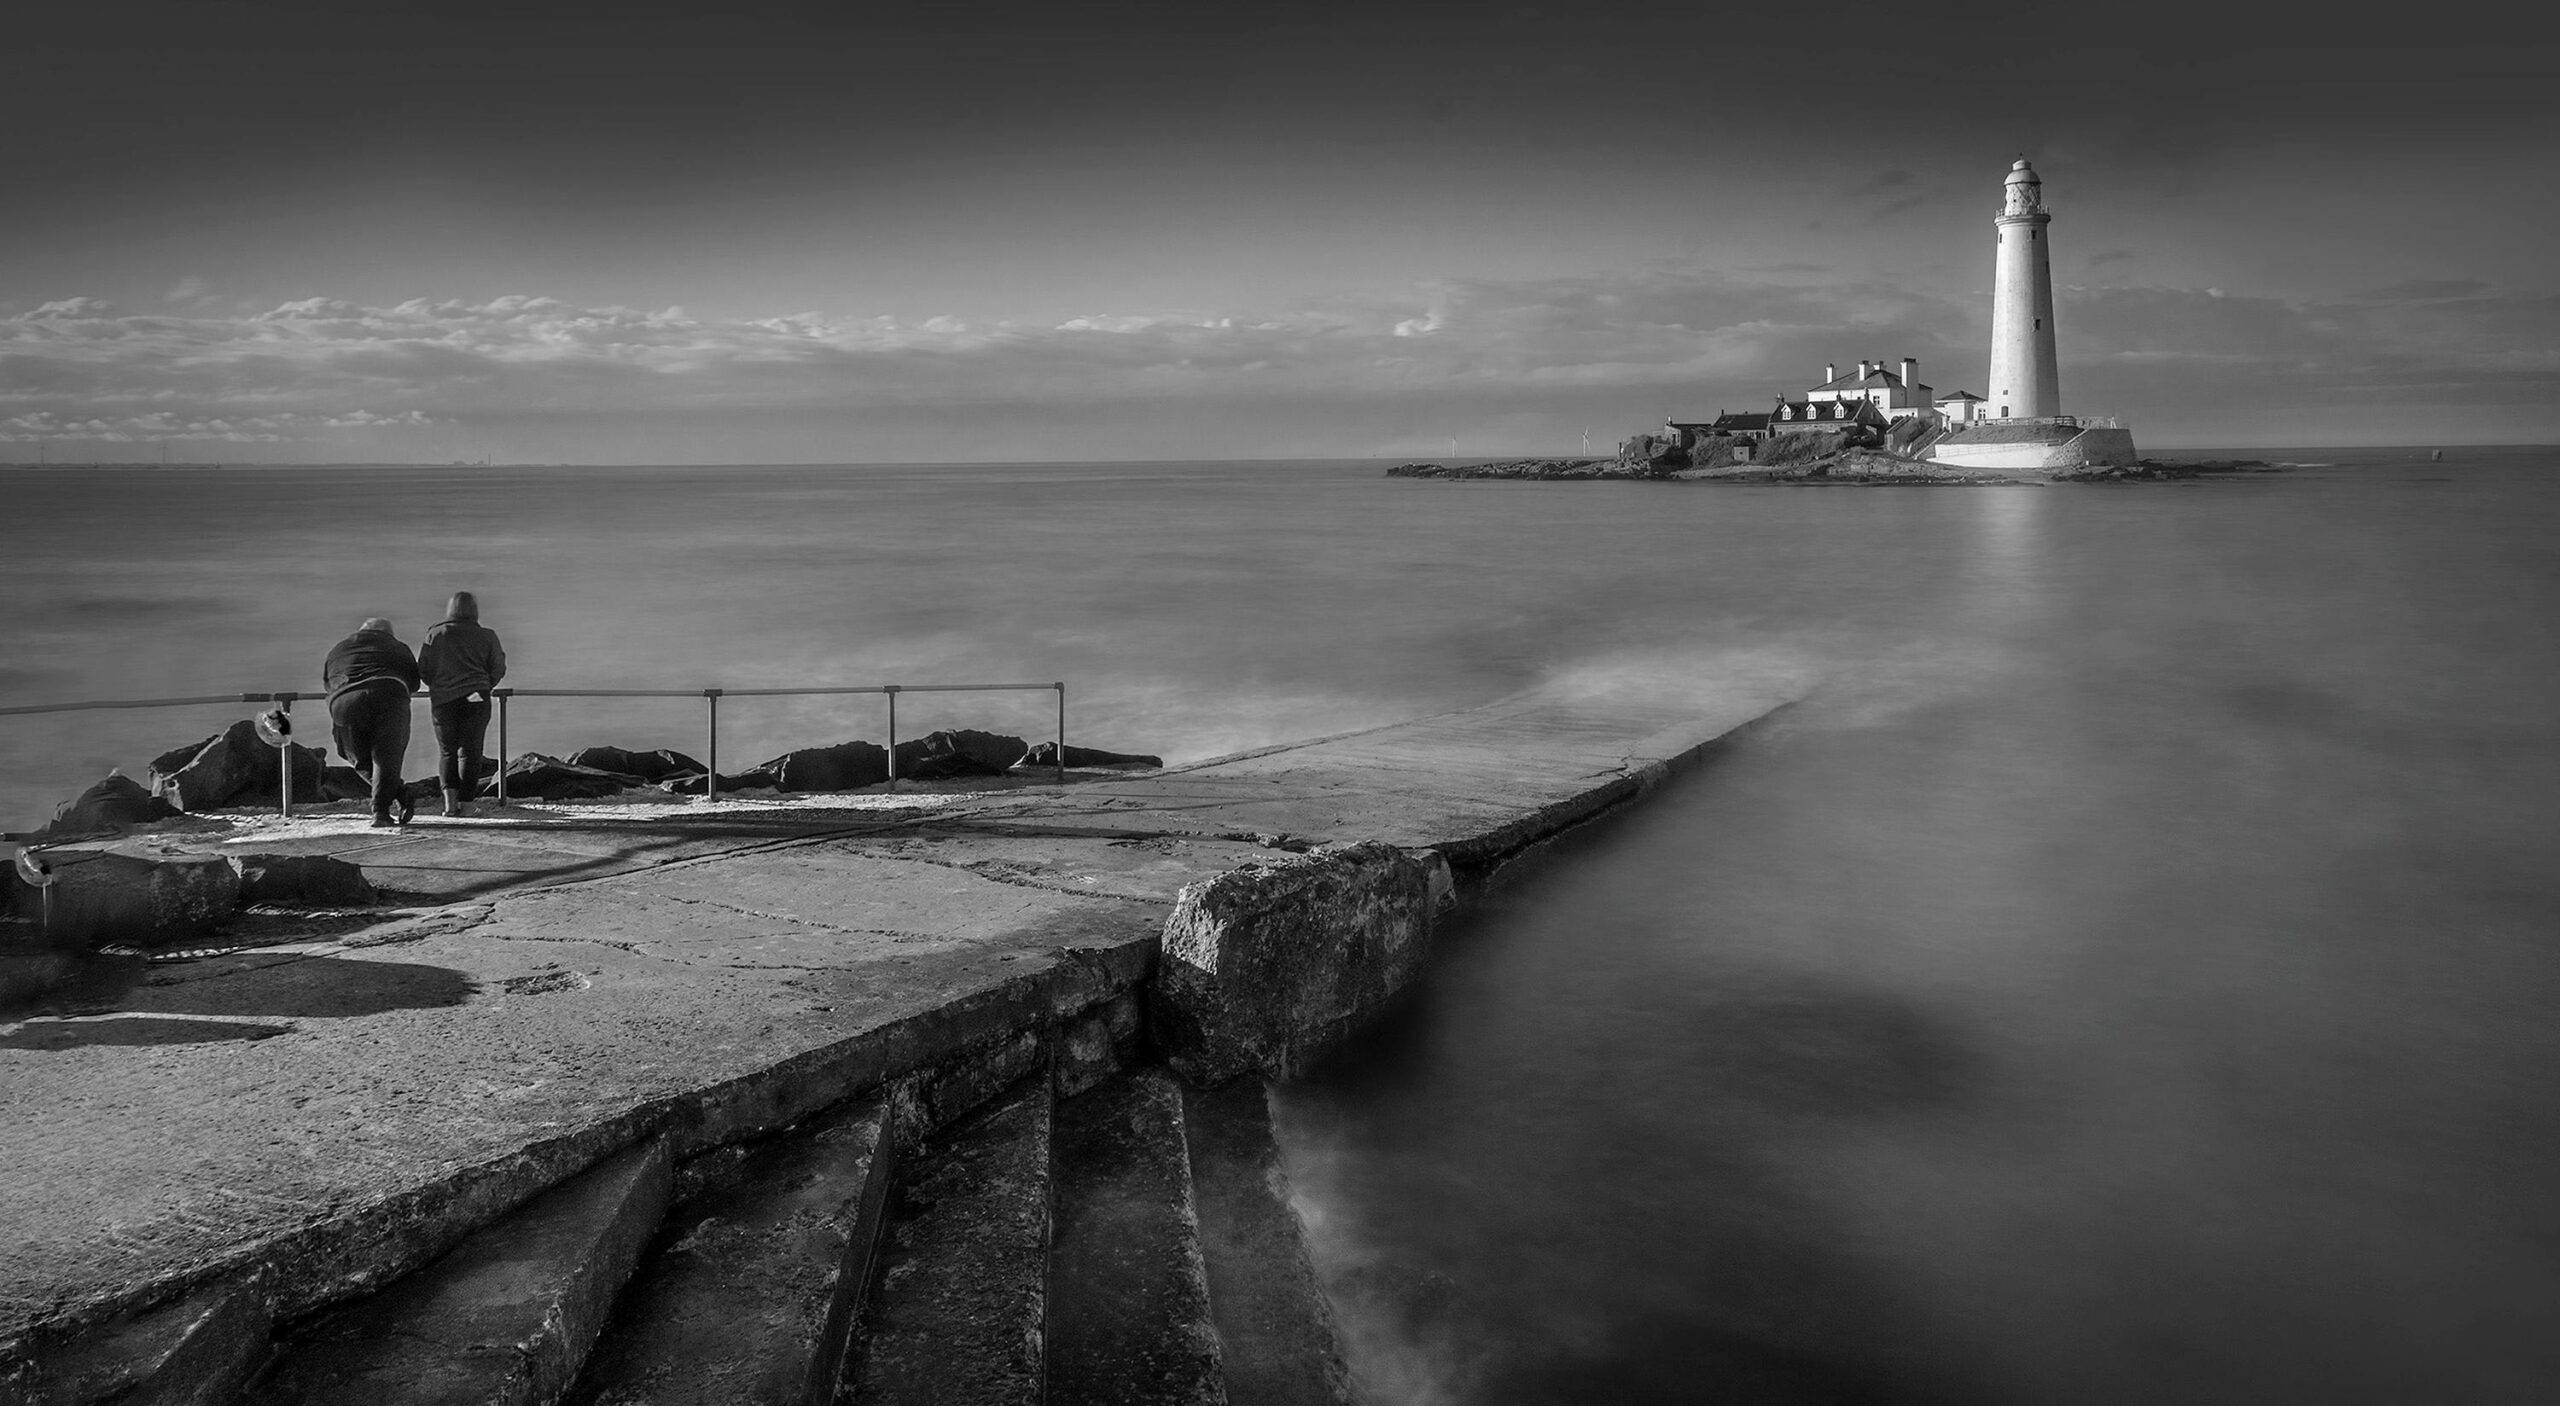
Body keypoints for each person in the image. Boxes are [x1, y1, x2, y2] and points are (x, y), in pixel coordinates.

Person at [323, 617, 421, 828]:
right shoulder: (398, 647)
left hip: (345, 701)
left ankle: (396, 797)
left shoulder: (338, 649)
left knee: (352, 753)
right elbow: (415, 683)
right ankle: (382, 811)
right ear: (388, 633)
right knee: (386, 757)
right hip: (390, 696)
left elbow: (328, 683)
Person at [418, 591, 507, 818]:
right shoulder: (487, 636)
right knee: (471, 752)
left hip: (444, 700)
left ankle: (449, 806)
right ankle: (467, 806)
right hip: (476, 697)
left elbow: (424, 670)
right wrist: (484, 685)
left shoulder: (436, 634)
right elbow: (498, 668)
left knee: (447, 751)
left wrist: (439, 685)